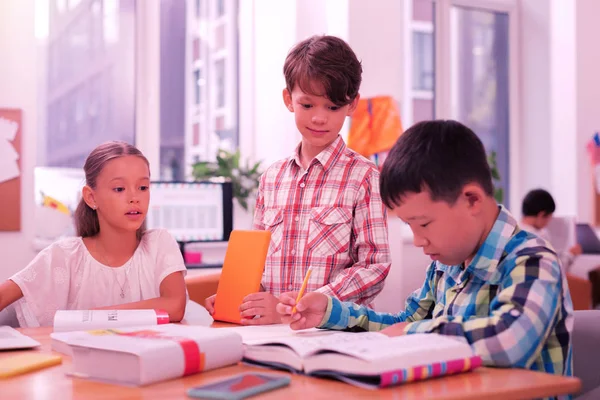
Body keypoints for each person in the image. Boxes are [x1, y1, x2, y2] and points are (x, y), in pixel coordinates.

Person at [277, 120, 573, 377]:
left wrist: (411, 332)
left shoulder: (533, 260)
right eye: (409, 226)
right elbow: (403, 322)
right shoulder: (446, 265)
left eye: (424, 224)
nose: (418, 241)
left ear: (471, 200)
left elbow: (508, 342)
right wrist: (330, 311)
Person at [206, 35, 391, 325]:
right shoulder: (272, 179)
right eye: (307, 105)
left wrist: (305, 306)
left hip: (333, 332)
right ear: (288, 100)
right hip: (269, 334)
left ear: (352, 105)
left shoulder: (365, 177)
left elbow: (374, 267)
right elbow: (258, 266)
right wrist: (240, 297)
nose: (319, 118)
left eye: (332, 107)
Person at [0, 141, 188, 327]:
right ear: (91, 197)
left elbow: (174, 305)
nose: (134, 198)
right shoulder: (63, 256)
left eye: (143, 187)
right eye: (119, 189)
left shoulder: (159, 243)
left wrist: (89, 317)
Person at [521, 188, 582, 268]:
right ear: (541, 215)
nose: (549, 222)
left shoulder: (514, 231)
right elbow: (552, 269)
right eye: (549, 217)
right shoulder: (537, 238)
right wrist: (571, 254)